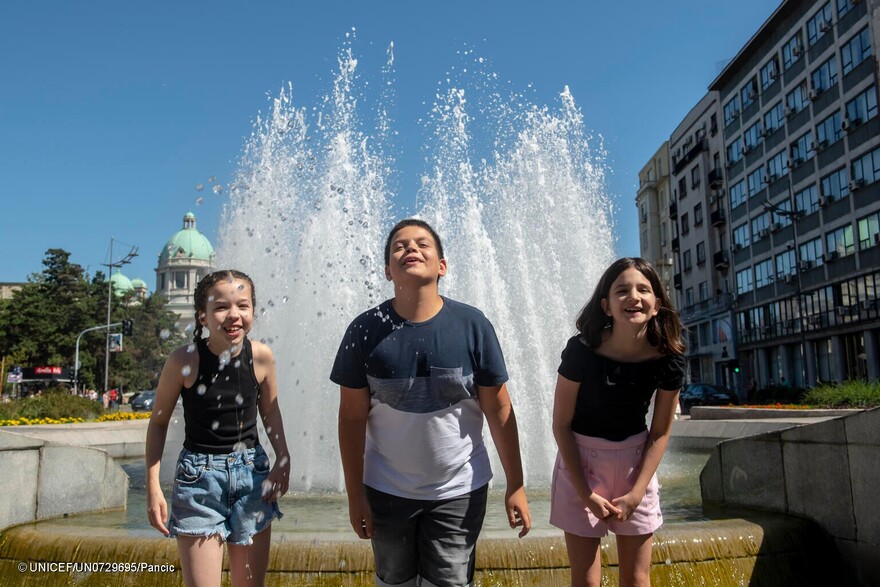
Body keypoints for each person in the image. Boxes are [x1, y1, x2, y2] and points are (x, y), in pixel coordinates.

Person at [332, 218, 531, 587]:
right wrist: (354, 494)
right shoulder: (364, 329)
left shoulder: (473, 325)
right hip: (385, 489)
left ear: (442, 266)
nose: (410, 249)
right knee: (393, 581)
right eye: (399, 246)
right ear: (388, 270)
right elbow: (351, 418)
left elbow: (499, 409)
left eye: (423, 244)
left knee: (451, 582)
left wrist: (515, 483)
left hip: (459, 489)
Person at [145, 270, 291, 587]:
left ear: (253, 310)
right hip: (198, 481)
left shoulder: (261, 357)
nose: (233, 315)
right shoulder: (183, 360)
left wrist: (283, 457)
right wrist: (153, 484)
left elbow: (270, 411)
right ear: (203, 316)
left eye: (243, 305)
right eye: (221, 307)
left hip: (252, 476)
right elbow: (157, 422)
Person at [550, 257, 686, 587]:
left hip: (635, 467)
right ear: (606, 306)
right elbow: (561, 424)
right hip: (580, 465)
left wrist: (638, 492)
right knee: (585, 581)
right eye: (621, 290)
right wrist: (584, 493)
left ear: (657, 305)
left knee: (638, 580)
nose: (633, 297)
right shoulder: (581, 351)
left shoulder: (668, 359)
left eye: (643, 289)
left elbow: (661, 431)